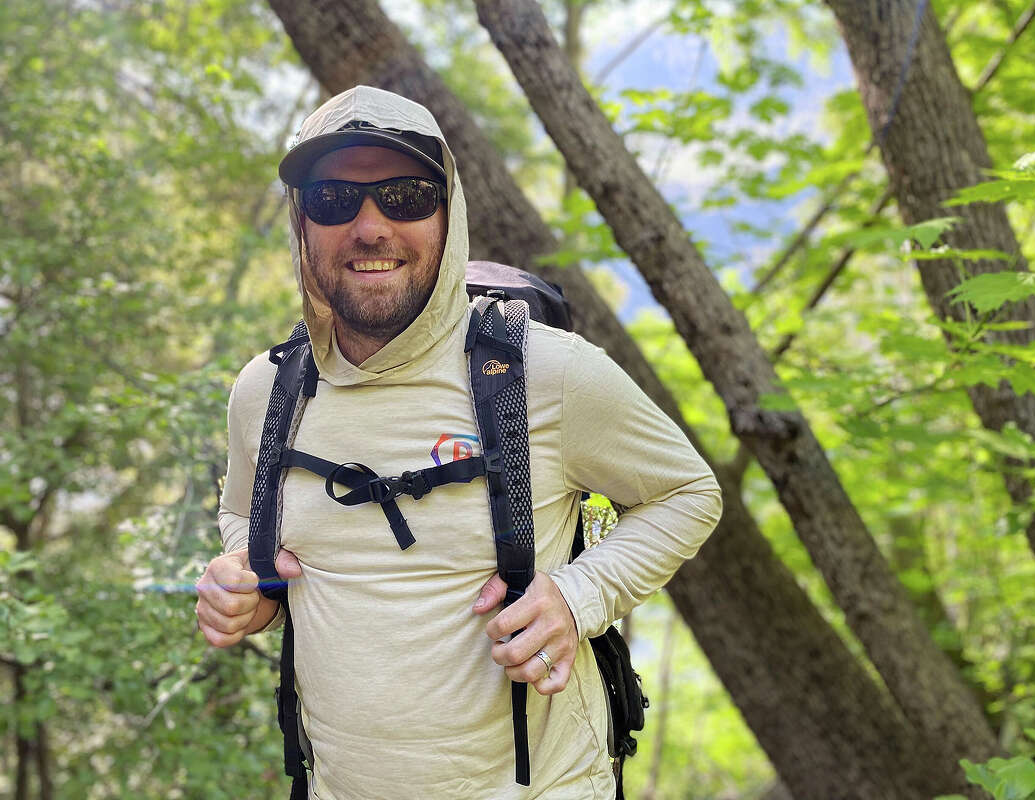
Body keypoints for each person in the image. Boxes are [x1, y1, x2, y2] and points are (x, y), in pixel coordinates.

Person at [194, 85, 721, 799]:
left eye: (406, 196)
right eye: (334, 200)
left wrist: (579, 594)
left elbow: (687, 492)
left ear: (451, 214)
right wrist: (249, 579)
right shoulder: (266, 391)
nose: (370, 226)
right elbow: (242, 517)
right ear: (301, 222)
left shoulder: (546, 373)